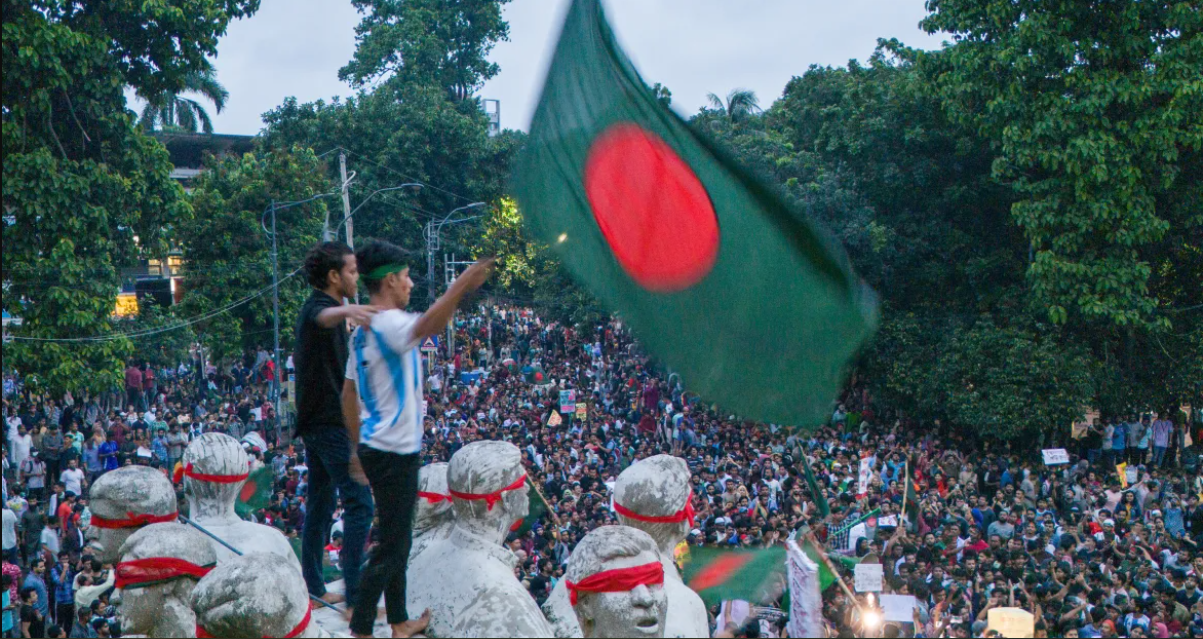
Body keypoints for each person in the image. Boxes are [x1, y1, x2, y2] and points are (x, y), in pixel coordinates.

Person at [341, 239, 493, 638]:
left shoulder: (362, 331)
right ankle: (360, 627)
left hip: (377, 446)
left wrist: (358, 447)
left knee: (396, 536)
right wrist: (462, 283)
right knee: (393, 546)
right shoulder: (389, 323)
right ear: (390, 281)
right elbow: (430, 324)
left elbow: (348, 394)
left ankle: (398, 621)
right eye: (406, 277)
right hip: (395, 451)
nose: (410, 284)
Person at [294, 241, 378, 608]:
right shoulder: (319, 308)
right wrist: (357, 310)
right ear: (333, 276)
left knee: (321, 504)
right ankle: (356, 597)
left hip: (319, 421)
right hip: (328, 423)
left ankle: (313, 586)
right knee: (360, 503)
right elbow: (323, 319)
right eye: (352, 271)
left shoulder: (332, 308)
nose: (356, 277)